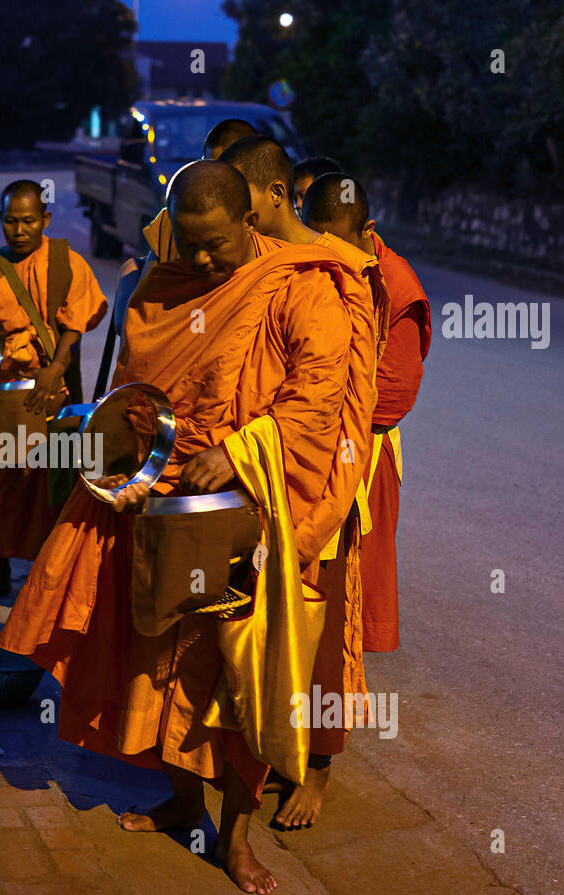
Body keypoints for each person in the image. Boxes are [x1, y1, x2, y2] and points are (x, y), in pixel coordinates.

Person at [0, 161, 378, 891]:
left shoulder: (300, 285)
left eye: (215, 245)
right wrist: (128, 467)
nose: (201, 259)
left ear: (251, 221)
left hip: (251, 513)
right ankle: (180, 802)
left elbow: (319, 399)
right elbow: (137, 391)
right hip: (164, 509)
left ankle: (233, 837)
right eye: (188, 242)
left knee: (241, 681)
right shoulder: (163, 284)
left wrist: (238, 450)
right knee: (160, 660)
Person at [219, 138, 388, 829]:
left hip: (321, 483)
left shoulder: (340, 273)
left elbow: (352, 397)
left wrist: (250, 449)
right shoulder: (253, 261)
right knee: (241, 634)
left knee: (314, 642)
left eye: (237, 202)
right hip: (253, 480)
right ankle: (244, 764)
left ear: (270, 196)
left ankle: (314, 770)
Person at [302, 172, 432, 654]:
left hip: (361, 454)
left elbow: (393, 398)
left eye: (339, 246)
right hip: (308, 446)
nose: (328, 259)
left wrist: (311, 404)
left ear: (368, 230)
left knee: (343, 591)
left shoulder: (397, 285)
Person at [0, 179, 107, 598]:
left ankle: (47, 575)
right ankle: (0, 568)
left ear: (46, 219)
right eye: (10, 221)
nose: (19, 230)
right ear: (0, 220)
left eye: (28, 221)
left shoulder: (65, 261)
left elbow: (76, 323)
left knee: (49, 480)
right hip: (1, 392)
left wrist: (56, 368)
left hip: (50, 389)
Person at [142, 118, 257, 264]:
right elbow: (154, 279)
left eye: (227, 170)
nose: (214, 177)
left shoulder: (255, 220)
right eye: (210, 167)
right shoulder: (175, 219)